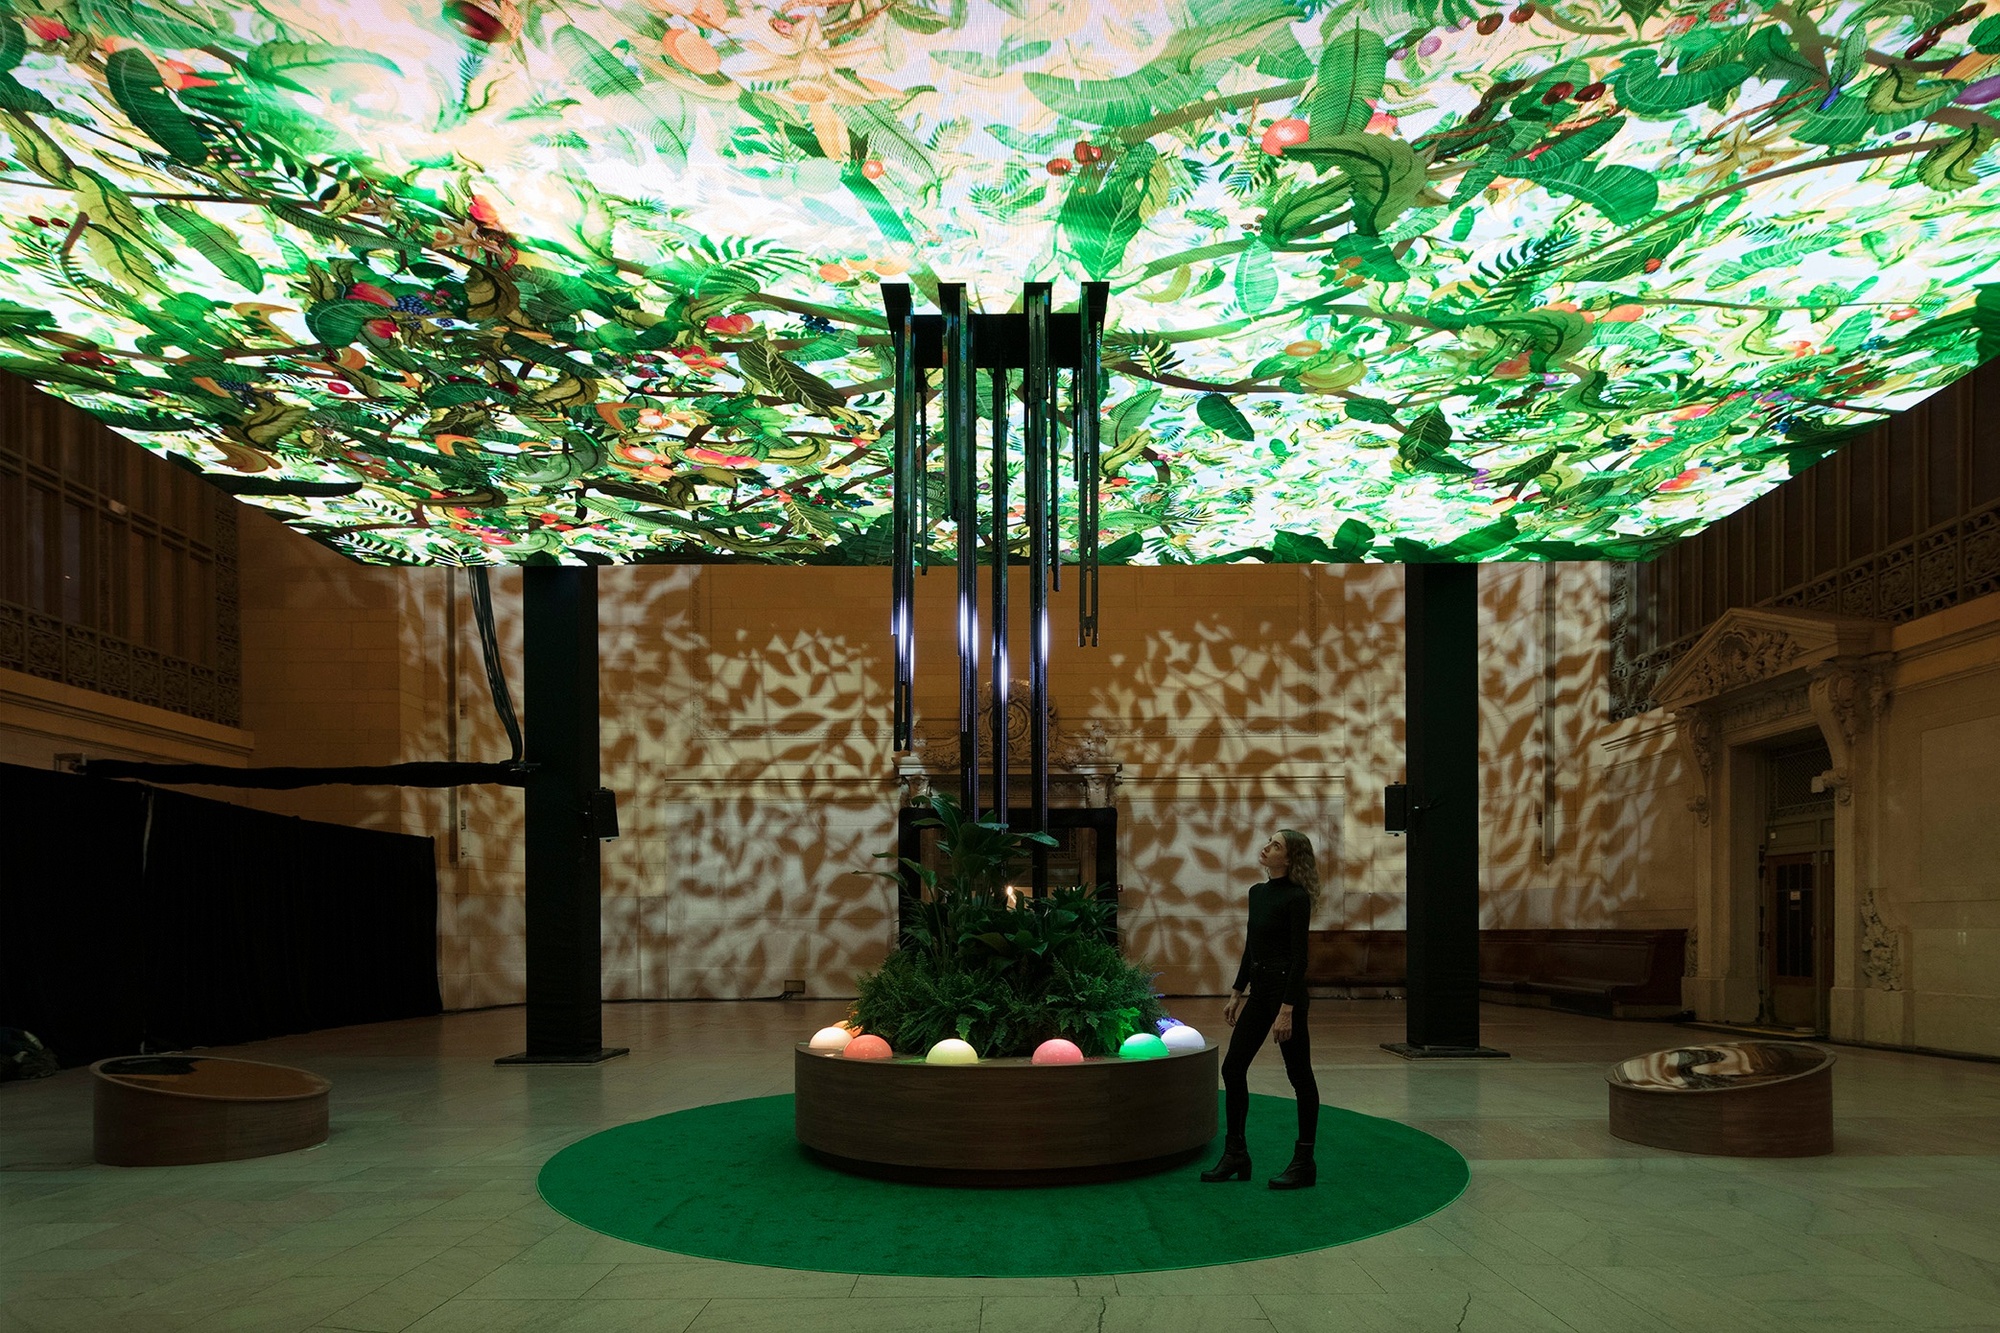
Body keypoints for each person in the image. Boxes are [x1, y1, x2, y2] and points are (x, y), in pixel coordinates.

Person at [1200, 829, 1320, 1189]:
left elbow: (1300, 959)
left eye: (1276, 845)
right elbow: (1253, 947)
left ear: (1291, 858)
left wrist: (1288, 1009)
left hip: (1286, 994)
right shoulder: (1257, 893)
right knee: (1233, 1068)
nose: (1266, 848)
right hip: (1260, 991)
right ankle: (1236, 1153)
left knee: (1300, 1077)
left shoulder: (1297, 898)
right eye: (1269, 842)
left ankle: (1304, 1161)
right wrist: (1237, 991)